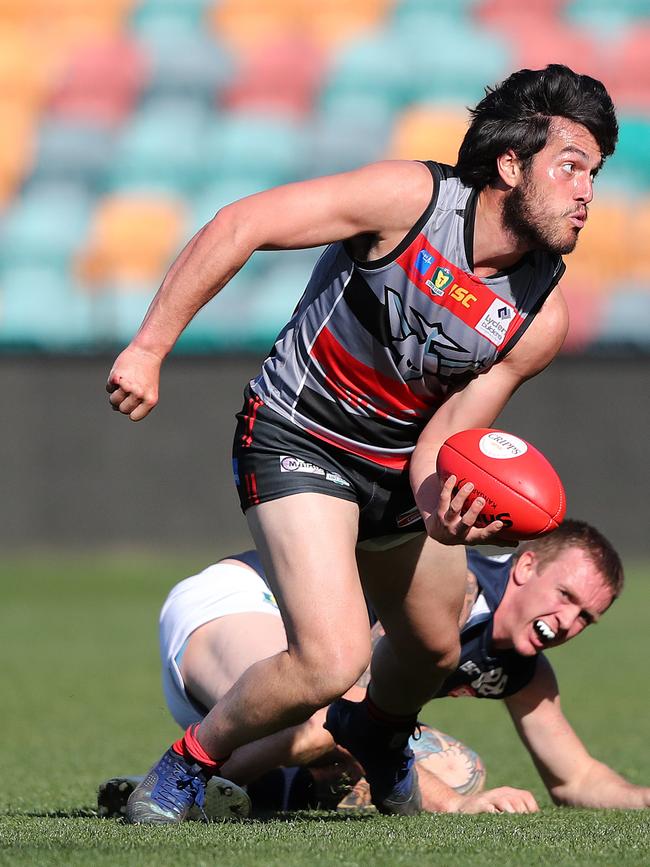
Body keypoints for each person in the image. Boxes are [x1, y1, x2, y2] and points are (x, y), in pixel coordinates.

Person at [106, 64, 619, 822]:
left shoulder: (540, 316)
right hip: (298, 432)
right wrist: (149, 347)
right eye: (571, 167)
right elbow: (241, 224)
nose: (587, 192)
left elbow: (447, 433)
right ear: (511, 165)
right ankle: (187, 765)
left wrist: (440, 510)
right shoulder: (409, 200)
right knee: (331, 657)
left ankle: (374, 736)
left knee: (434, 648)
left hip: (394, 466)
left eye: (596, 174)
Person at [99, 520, 650, 819]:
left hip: (285, 693)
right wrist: (453, 807)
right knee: (326, 714)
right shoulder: (454, 587)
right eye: (566, 596)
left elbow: (577, 778)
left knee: (458, 766)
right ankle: (184, 785)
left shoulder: (521, 667)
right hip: (242, 607)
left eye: (586, 617)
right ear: (527, 565)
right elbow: (349, 706)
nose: (569, 621)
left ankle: (238, 792)